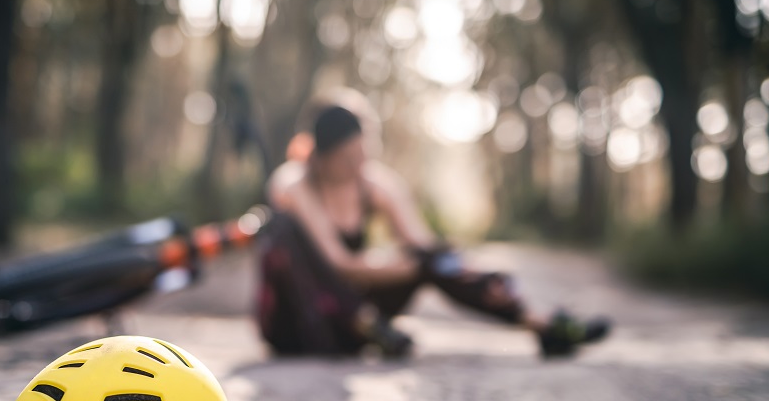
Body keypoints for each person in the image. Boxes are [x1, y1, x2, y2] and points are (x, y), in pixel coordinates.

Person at [256, 102, 609, 358]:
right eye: (348, 159)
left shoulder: (373, 184)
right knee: (282, 230)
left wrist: (435, 263)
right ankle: (366, 323)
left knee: (433, 259)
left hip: (349, 330)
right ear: (320, 157)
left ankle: (540, 322)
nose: (358, 165)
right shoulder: (294, 183)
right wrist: (397, 266)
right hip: (297, 327)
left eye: (362, 155)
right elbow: (338, 262)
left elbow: (422, 244)